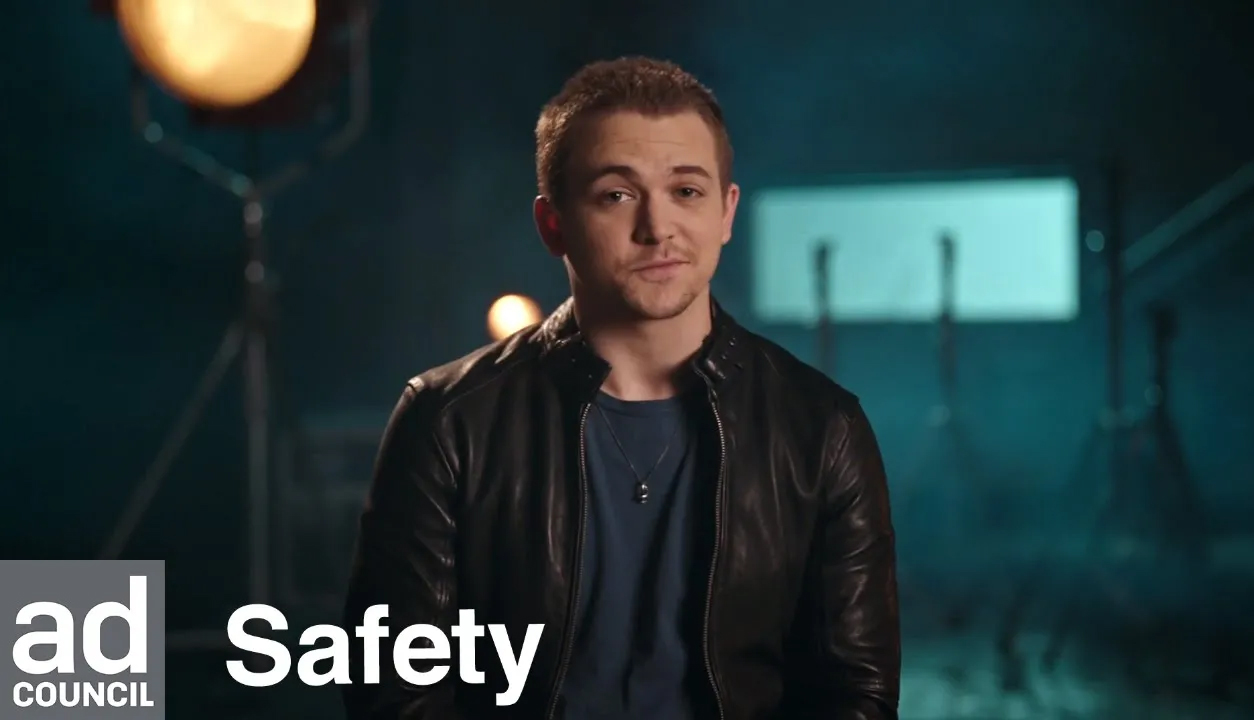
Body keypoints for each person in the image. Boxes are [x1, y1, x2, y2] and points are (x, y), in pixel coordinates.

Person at [342, 56, 900, 720]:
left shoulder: (821, 428)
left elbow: (855, 695)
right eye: (616, 195)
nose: (657, 228)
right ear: (553, 224)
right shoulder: (448, 420)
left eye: (686, 191)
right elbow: (396, 688)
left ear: (726, 213)